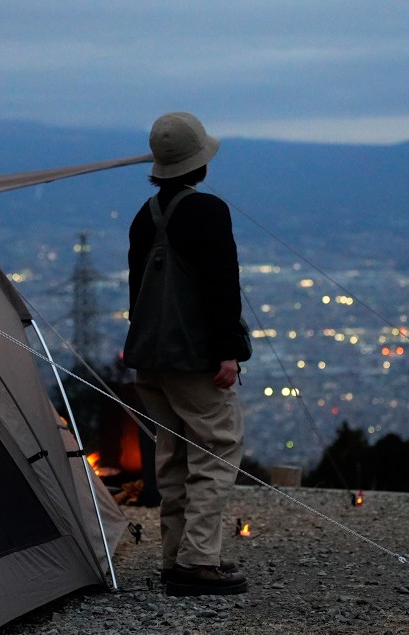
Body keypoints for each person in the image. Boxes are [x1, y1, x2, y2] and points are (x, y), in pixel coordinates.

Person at [123, 111, 251, 596]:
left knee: (173, 455)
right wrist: (228, 352)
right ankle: (199, 561)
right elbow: (223, 288)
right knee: (218, 447)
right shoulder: (208, 212)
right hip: (192, 357)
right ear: (200, 164)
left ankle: (175, 557)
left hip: (149, 356)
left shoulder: (143, 215)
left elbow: (138, 291)